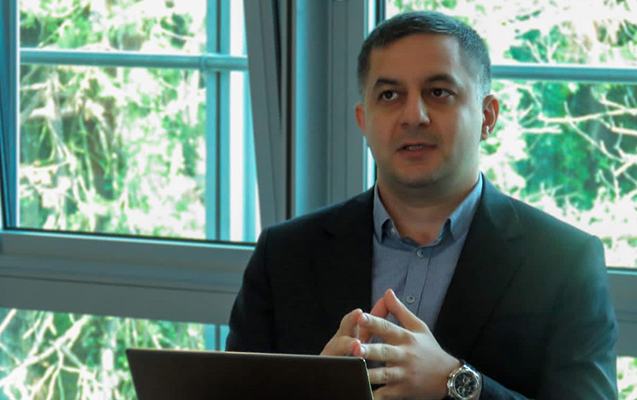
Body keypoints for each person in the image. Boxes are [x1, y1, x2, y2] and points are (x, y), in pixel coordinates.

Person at [226, 11, 618, 400]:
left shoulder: (564, 261)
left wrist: (457, 383)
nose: (414, 116)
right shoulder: (284, 255)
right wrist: (312, 389)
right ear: (364, 121)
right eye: (389, 95)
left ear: (487, 117)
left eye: (438, 92)